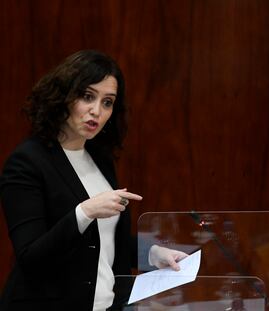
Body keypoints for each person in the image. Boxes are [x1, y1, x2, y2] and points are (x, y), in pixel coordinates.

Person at [0, 50, 187, 311]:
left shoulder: (99, 159)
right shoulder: (26, 162)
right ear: (63, 96)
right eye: (87, 96)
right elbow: (31, 257)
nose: (96, 111)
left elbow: (102, 242)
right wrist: (85, 211)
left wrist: (152, 254)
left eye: (107, 102)